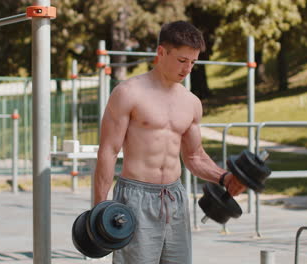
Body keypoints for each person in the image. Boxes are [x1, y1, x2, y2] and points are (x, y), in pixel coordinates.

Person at [94, 21, 246, 264]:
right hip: (136, 197)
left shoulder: (191, 103)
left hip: (174, 199)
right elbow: (108, 152)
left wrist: (225, 177)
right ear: (161, 52)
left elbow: (194, 157)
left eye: (193, 62)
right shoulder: (128, 93)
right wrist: (99, 211)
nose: (187, 69)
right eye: (182, 60)